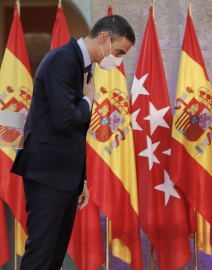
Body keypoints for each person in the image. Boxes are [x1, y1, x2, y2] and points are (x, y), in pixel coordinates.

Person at [11, 15, 135, 269]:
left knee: (55, 256)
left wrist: (82, 179)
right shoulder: (63, 59)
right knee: (41, 255)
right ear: (103, 38)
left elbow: (76, 132)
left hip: (65, 176)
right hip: (47, 173)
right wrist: (88, 101)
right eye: (119, 51)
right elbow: (64, 119)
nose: (118, 59)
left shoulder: (83, 66)